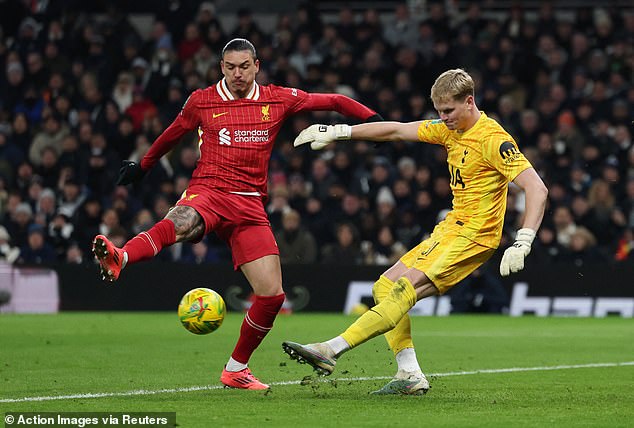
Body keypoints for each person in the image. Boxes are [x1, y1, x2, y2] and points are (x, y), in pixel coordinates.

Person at [92, 38, 381, 390]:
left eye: (244, 66)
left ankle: (235, 369)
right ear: (221, 67)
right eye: (230, 67)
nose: (237, 73)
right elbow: (173, 134)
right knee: (181, 222)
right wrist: (144, 166)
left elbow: (334, 101)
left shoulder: (277, 98)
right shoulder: (202, 100)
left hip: (249, 205)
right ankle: (122, 256)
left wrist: (372, 121)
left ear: (256, 65)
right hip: (209, 190)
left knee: (272, 295)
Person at [282, 69, 548, 395]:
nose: (443, 118)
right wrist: (339, 131)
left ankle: (330, 349)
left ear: (469, 101)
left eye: (448, 111)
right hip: (451, 229)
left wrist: (524, 240)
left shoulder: (494, 140)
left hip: (476, 235)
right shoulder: (450, 130)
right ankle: (410, 374)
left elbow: (536, 188)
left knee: (405, 288)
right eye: (439, 112)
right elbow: (396, 130)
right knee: (386, 285)